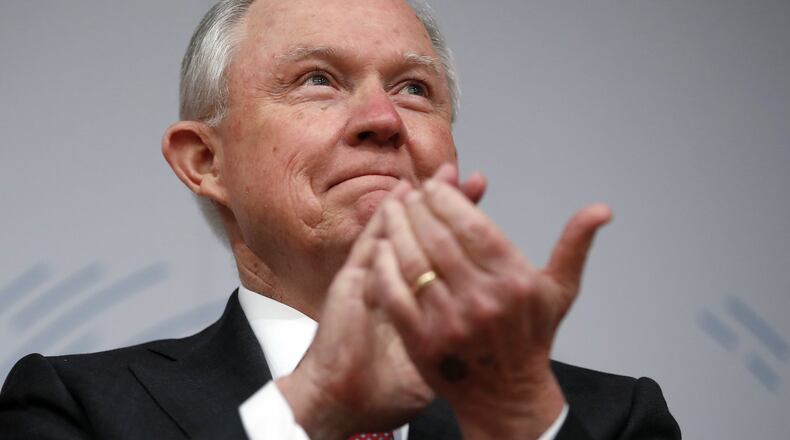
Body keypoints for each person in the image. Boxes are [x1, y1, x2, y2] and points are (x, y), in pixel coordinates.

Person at [0, 0, 681, 438]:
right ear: (205, 161)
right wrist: (308, 413)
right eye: (318, 79)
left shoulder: (602, 421)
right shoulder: (72, 407)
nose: (383, 120)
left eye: (414, 89)